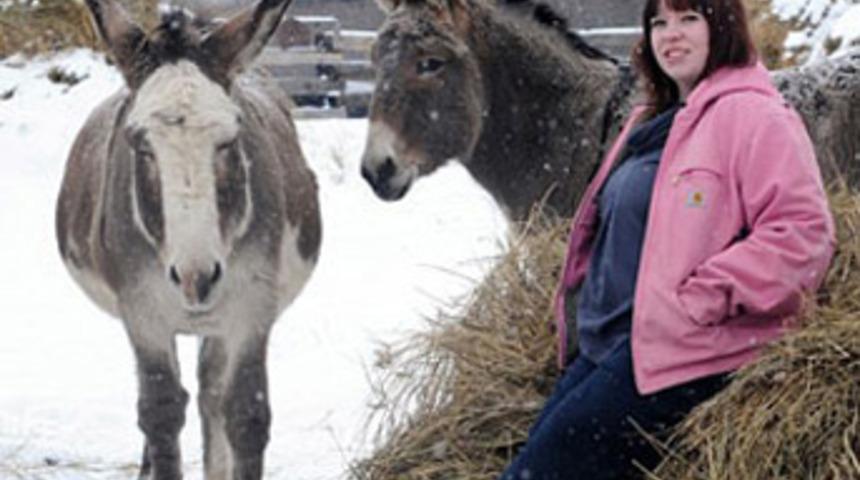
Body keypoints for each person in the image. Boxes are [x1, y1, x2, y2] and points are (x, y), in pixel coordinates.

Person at [499, 0, 836, 478]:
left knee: (542, 468)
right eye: (658, 23)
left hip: (687, 348)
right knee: (530, 461)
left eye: (687, 19)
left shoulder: (756, 115)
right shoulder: (656, 121)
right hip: (613, 343)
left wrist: (701, 299)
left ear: (722, 28)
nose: (670, 34)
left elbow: (802, 234)